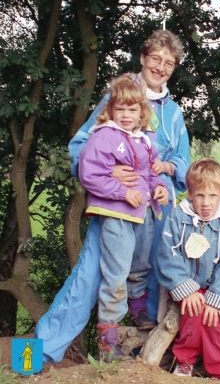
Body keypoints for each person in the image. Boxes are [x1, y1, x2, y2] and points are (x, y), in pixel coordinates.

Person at [35, 29, 190, 362]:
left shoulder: (174, 113)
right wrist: (109, 175)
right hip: (114, 210)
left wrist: (165, 174)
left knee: (153, 281)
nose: (161, 67)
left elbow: (184, 162)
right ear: (143, 58)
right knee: (89, 277)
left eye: (169, 63)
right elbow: (80, 147)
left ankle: (139, 362)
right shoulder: (119, 97)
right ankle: (35, 357)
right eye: (156, 59)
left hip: (154, 212)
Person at [78, 75, 169, 359]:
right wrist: (120, 192)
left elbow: (149, 174)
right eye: (121, 109)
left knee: (141, 264)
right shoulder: (104, 136)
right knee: (116, 275)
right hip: (116, 213)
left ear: (142, 112)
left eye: (133, 110)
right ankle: (108, 344)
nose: (127, 115)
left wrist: (160, 187)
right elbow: (89, 175)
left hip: (142, 213)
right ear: (110, 110)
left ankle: (138, 311)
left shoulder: (142, 140)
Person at [156, 158, 220, 378]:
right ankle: (184, 361)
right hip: (184, 285)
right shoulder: (178, 217)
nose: (206, 203)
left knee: (214, 322)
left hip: (214, 287)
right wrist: (187, 289)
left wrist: (216, 298)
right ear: (190, 194)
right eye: (200, 195)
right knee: (193, 317)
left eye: (212, 196)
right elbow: (167, 254)